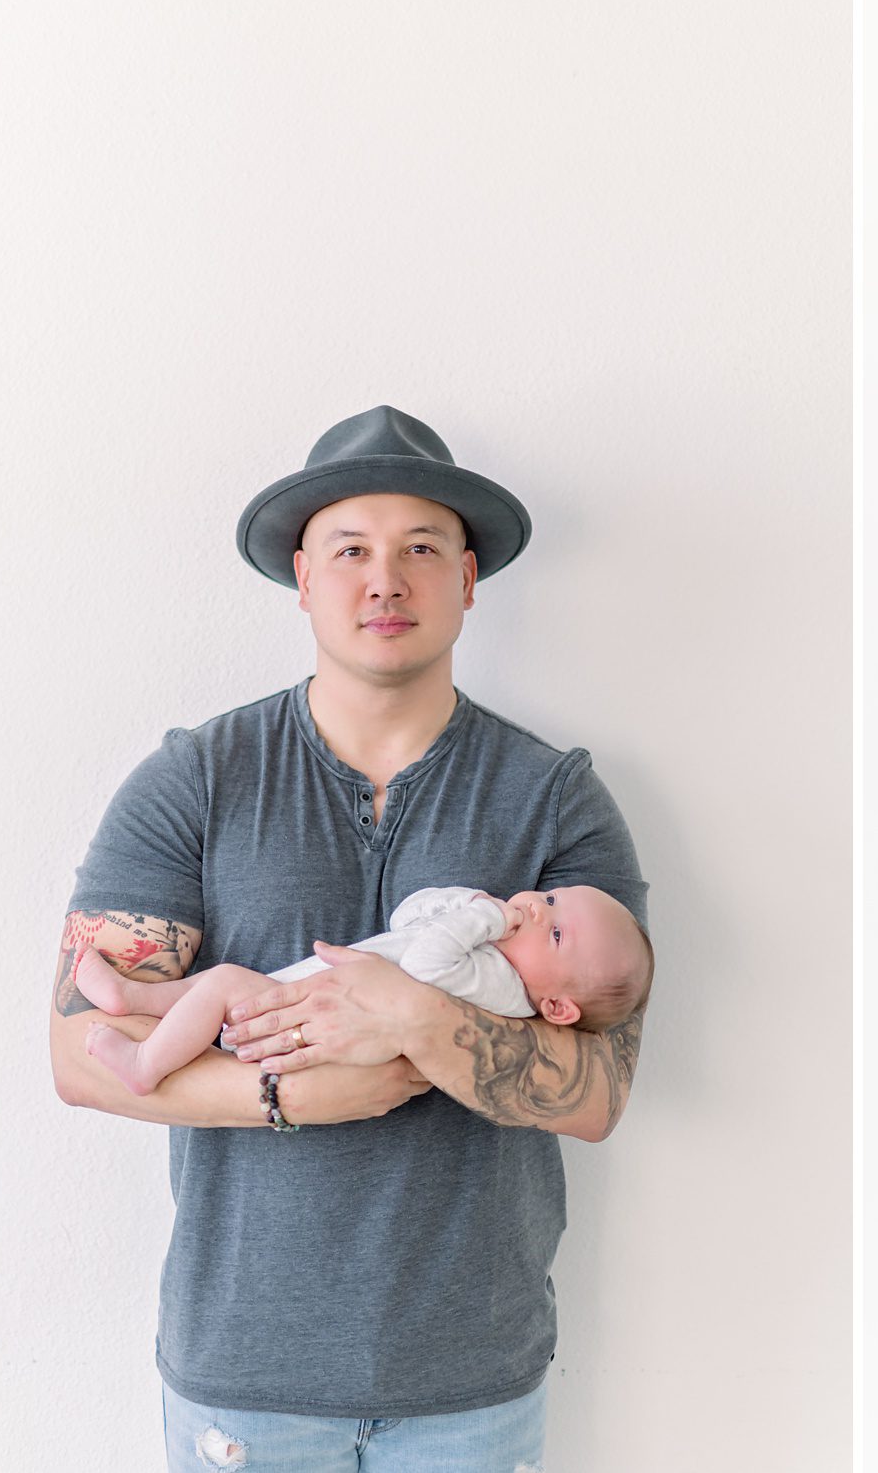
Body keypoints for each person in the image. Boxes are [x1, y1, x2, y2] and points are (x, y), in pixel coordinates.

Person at [49, 404, 651, 1472]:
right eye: (351, 550)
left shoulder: (555, 798)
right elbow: (74, 1057)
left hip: (469, 1380)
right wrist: (291, 1095)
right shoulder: (197, 777)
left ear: (467, 579)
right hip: (244, 1376)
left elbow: (598, 1089)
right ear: (303, 575)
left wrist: (417, 1017)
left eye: (421, 548)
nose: (386, 580)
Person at [78, 883, 651, 1097]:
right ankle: (138, 999)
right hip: (305, 1000)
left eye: (553, 931)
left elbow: (425, 960)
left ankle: (146, 1064)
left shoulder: (501, 987)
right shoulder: (486, 953)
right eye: (551, 897)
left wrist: (489, 921)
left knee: (226, 987)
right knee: (219, 986)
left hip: (299, 1031)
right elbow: (410, 918)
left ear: (555, 1006)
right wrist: (468, 902)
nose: (532, 907)